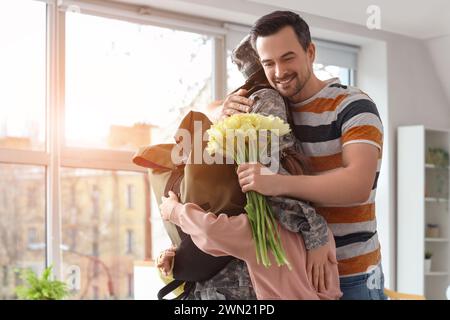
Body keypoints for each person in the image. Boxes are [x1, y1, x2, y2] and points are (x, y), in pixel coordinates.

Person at [155, 35, 339, 299]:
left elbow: (217, 231)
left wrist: (175, 212)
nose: (280, 73)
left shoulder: (268, 232)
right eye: (270, 64)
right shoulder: (296, 230)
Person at [222, 11, 386, 300]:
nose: (279, 72)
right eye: (268, 63)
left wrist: (276, 183)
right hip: (292, 273)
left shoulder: (352, 105)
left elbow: (357, 185)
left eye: (288, 58)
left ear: (310, 52)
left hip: (352, 275)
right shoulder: (269, 106)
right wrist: (223, 111)